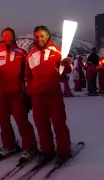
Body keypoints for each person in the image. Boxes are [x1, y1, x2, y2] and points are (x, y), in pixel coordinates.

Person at [0, 28, 37, 164]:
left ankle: (30, 147)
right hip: (0, 96)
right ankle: (9, 145)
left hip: (17, 95)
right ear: (1, 37)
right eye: (5, 35)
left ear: (13, 37)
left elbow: (27, 74)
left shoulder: (21, 53)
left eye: (10, 35)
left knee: (22, 122)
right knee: (3, 123)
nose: (8, 37)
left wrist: (29, 94)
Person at [25, 25, 71, 165]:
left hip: (53, 95)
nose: (39, 39)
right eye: (37, 36)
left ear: (48, 36)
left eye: (42, 36)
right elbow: (27, 76)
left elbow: (68, 70)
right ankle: (47, 151)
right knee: (41, 125)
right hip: (37, 97)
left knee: (59, 124)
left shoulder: (58, 51)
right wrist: (30, 93)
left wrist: (65, 64)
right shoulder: (31, 54)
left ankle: (63, 151)